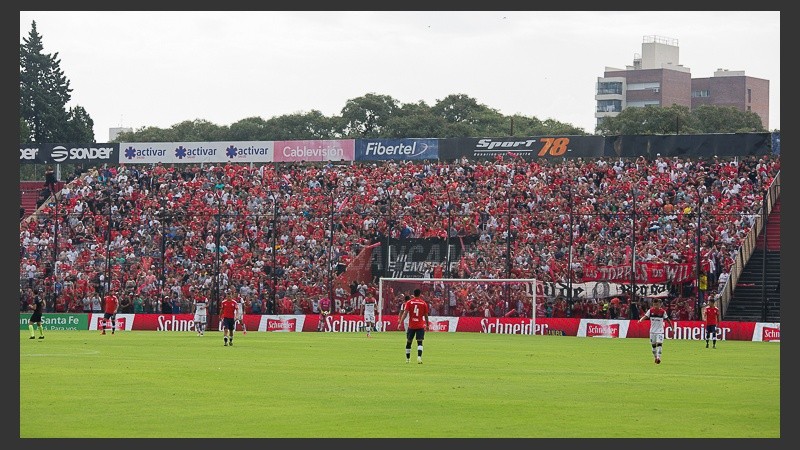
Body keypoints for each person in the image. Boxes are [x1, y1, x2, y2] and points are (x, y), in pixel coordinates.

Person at [397, 289, 429, 364]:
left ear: (413, 294)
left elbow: (405, 313)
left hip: (411, 326)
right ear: (420, 294)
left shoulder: (409, 302)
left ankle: (408, 359)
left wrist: (400, 322)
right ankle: (419, 357)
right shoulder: (423, 303)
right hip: (420, 325)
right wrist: (427, 325)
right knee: (420, 342)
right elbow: (426, 315)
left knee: (409, 342)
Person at [638, 298, 673, 364]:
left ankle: (658, 358)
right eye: (654, 304)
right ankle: (655, 357)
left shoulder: (663, 312)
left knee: (659, 344)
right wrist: (640, 320)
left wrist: (672, 328)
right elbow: (645, 316)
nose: (656, 306)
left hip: (660, 331)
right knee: (653, 346)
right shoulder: (650, 311)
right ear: (653, 304)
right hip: (652, 332)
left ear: (660, 304)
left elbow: (668, 320)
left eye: (657, 304)